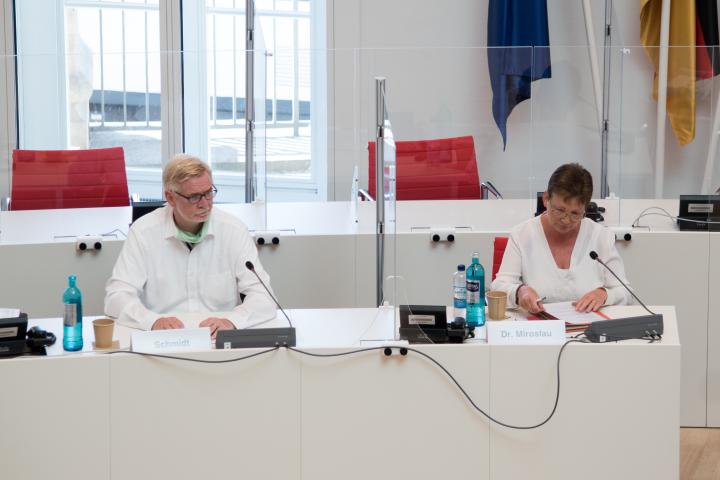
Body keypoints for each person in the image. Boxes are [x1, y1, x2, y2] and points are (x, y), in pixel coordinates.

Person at [105, 154, 276, 338]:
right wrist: (151, 321)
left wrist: (233, 320)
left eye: (209, 193)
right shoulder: (144, 232)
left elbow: (263, 297)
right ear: (170, 197)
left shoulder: (233, 230)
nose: (205, 204)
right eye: (194, 197)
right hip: (163, 341)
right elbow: (116, 297)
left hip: (218, 340)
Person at [491, 163, 633, 314]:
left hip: (589, 332)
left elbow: (626, 293)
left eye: (575, 214)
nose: (566, 220)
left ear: (585, 208)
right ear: (546, 199)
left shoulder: (600, 237)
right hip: (539, 331)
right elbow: (499, 286)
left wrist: (605, 295)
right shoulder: (522, 234)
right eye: (560, 210)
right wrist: (520, 292)